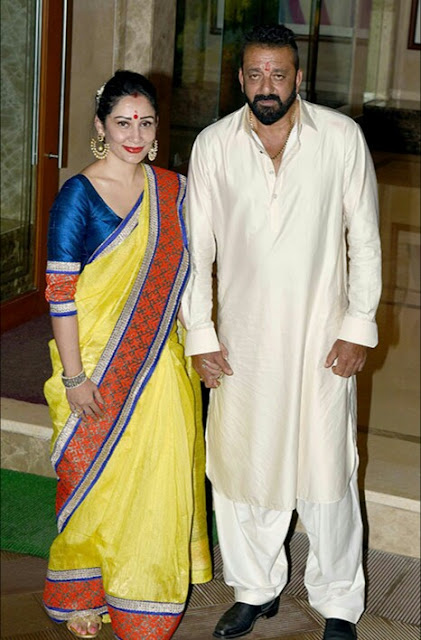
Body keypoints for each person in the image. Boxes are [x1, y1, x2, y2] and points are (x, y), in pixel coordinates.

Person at [181, 25, 381, 640]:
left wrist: (358, 326)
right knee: (244, 467)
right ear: (240, 79)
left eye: (278, 74)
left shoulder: (340, 138)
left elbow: (365, 240)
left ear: (298, 77)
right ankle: (254, 589)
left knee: (327, 473)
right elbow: (197, 253)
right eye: (254, 74)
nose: (266, 85)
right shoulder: (214, 145)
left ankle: (338, 602)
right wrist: (200, 335)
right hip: (242, 345)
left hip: (323, 341)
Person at [42, 70, 211, 639]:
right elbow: (61, 292)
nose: (134, 136)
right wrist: (74, 378)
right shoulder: (78, 195)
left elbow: (186, 277)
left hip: (159, 360)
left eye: (145, 123)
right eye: (122, 123)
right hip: (93, 364)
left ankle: (144, 600)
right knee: (94, 482)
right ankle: (84, 596)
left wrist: (200, 342)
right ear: (100, 127)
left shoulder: (172, 191)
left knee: (157, 478)